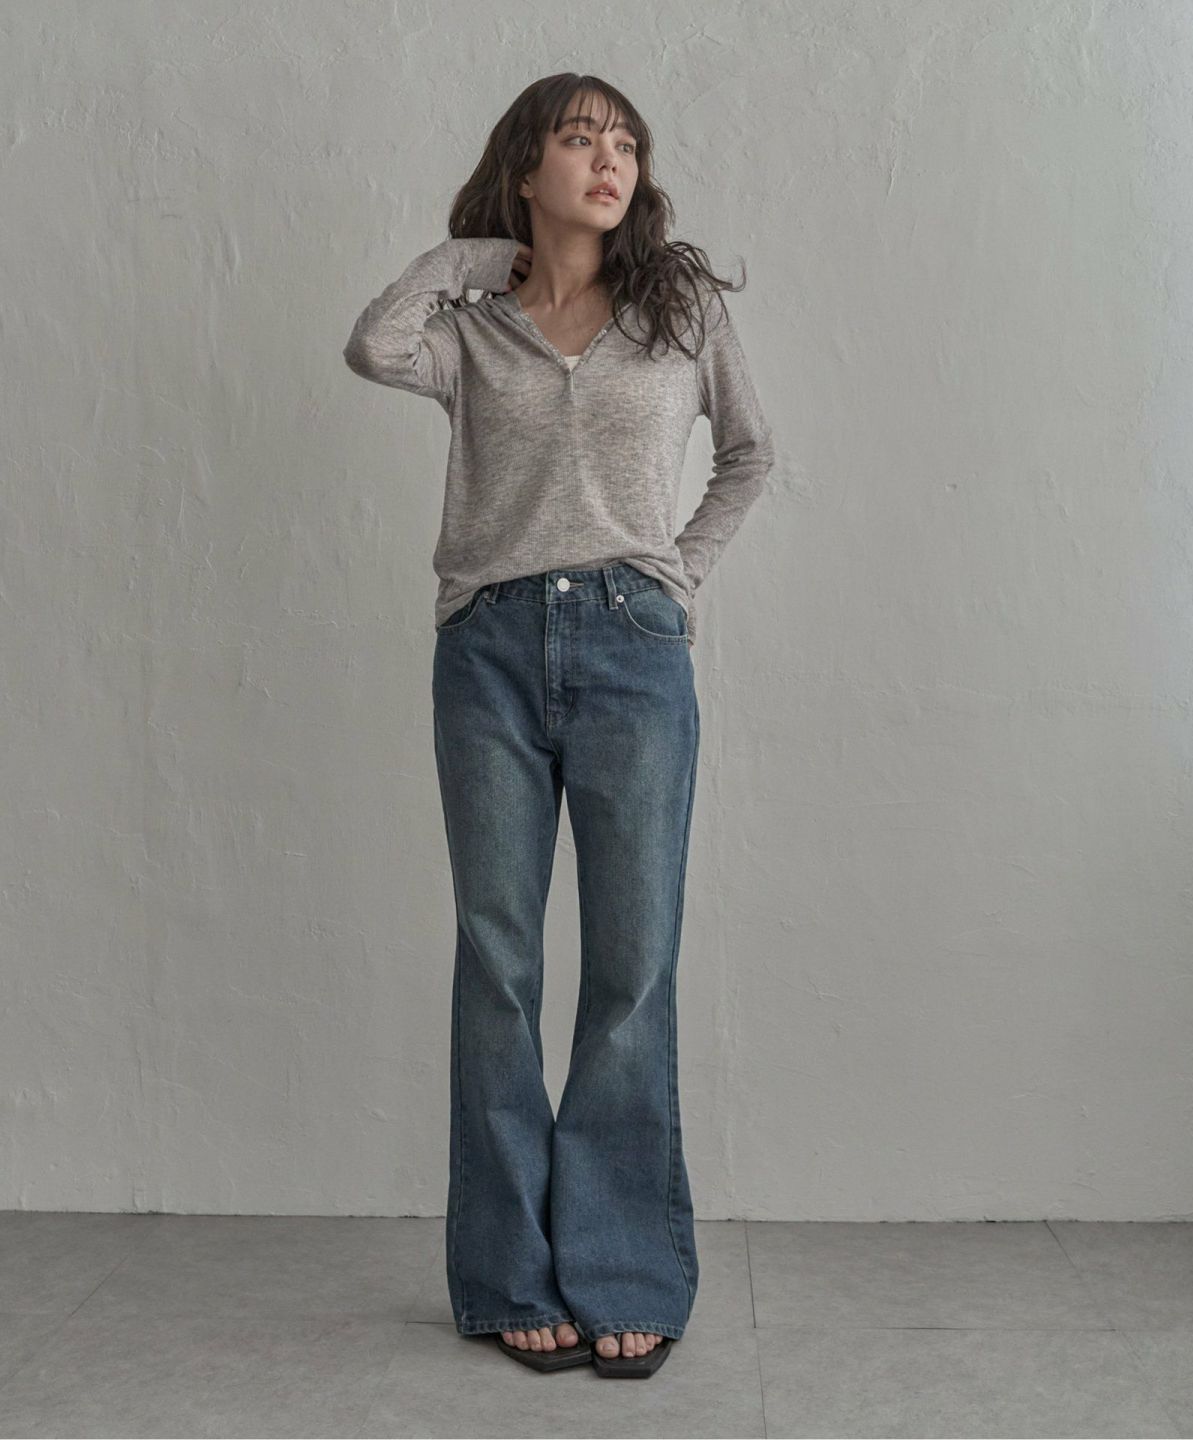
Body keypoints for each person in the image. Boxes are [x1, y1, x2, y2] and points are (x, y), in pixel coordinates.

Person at [343, 73, 774, 1379]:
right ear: (525, 166)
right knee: (499, 961)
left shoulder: (678, 313)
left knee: (631, 968)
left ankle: (624, 1267)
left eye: (625, 142)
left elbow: (751, 453)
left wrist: (677, 576)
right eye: (580, 138)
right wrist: (481, 255)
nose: (609, 159)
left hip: (635, 648)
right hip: (487, 649)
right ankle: (508, 1273)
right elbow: (372, 344)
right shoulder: (474, 331)